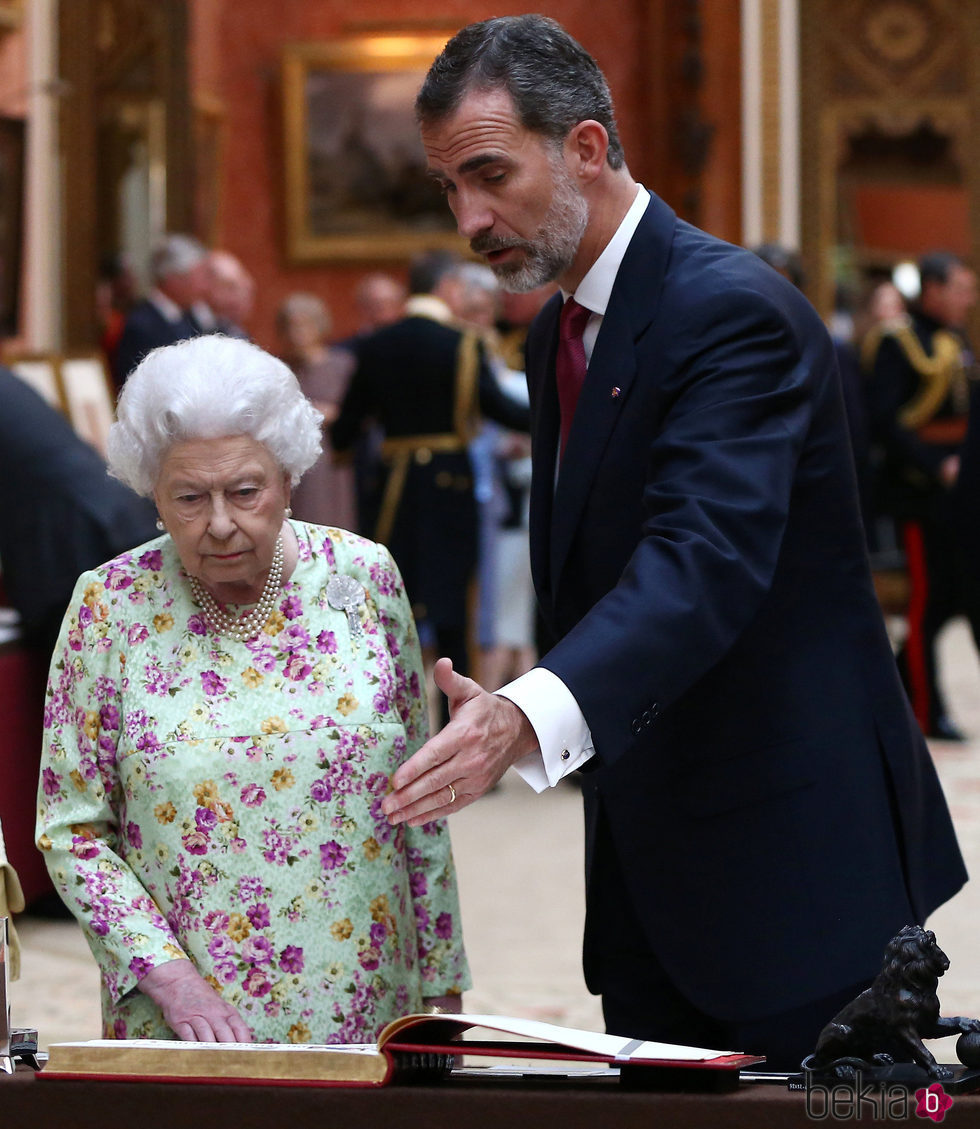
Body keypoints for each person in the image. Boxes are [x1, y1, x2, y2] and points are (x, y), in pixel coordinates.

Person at [380, 15, 966, 1070]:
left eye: (488, 175)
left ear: (588, 149)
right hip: (655, 862)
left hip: (789, 854)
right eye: (447, 189)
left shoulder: (725, 308)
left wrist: (526, 710)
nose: (468, 217)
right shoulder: (556, 319)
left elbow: (701, 559)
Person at [35, 334, 469, 1043]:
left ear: (288, 477)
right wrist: (168, 979)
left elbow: (418, 796)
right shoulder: (108, 605)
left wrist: (443, 983)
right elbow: (71, 829)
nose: (221, 523)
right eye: (188, 497)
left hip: (366, 1003)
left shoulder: (361, 578)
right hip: (187, 1020)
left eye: (244, 490)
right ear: (153, 491)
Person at [332, 249, 529, 712]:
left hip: (392, 489)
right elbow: (498, 407)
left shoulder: (378, 343)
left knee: (387, 600)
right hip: (451, 486)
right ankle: (456, 726)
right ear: (449, 289)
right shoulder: (462, 343)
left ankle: (382, 719)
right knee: (452, 610)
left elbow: (346, 433)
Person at [865, 251, 980, 740]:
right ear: (932, 290)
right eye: (960, 288)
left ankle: (908, 695)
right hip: (917, 496)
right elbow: (888, 422)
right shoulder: (899, 343)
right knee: (923, 604)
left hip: (960, 500)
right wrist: (936, 465)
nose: (968, 298)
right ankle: (924, 713)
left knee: (954, 600)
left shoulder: (954, 340)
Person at [276, 292, 357, 531]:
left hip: (331, 457)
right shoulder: (279, 368)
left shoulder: (342, 365)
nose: (296, 332)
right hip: (289, 455)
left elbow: (357, 413)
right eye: (290, 326)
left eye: (304, 325)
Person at [113, 234, 211, 389]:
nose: (204, 287)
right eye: (199, 277)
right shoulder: (141, 325)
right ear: (173, 279)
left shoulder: (191, 317)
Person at [205, 250, 256, 340]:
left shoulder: (238, 331)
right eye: (231, 287)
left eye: (246, 289)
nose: (242, 295)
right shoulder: (195, 329)